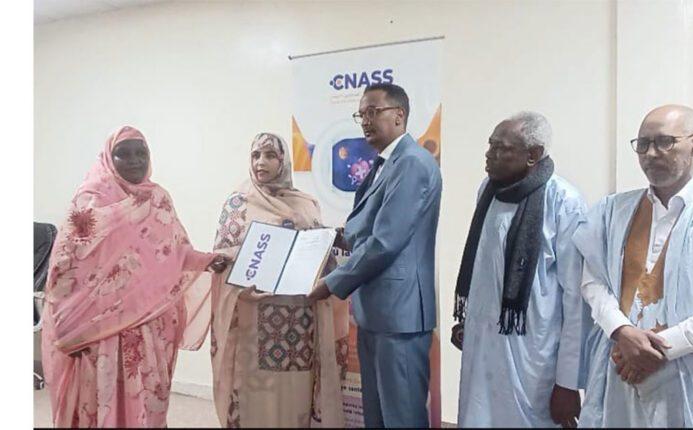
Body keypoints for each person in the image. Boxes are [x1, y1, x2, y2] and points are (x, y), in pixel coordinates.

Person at [41, 126, 230, 428]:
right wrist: (68, 325)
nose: (134, 160)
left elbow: (174, 252)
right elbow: (65, 266)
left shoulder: (158, 199)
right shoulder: (90, 200)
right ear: (108, 158)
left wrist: (208, 261)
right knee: (103, 399)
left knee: (148, 400)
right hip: (100, 328)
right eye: (123, 154)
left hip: (149, 323)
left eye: (141, 153)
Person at [307, 83, 442, 427]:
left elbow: (386, 241)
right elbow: (367, 226)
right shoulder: (386, 162)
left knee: (401, 416)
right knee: (378, 416)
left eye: (373, 112)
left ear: (399, 115)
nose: (365, 121)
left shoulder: (412, 163)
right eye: (361, 114)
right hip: (378, 312)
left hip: (400, 315)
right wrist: (328, 237)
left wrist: (332, 283)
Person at [573, 105, 693, 427]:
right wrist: (622, 331)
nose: (651, 154)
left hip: (689, 377)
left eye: (665, 142)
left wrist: (660, 349)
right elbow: (592, 281)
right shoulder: (614, 210)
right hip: (619, 370)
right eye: (643, 144)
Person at [452, 112, 590, 428]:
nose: (489, 154)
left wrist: (568, 382)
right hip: (483, 342)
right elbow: (485, 269)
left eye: (501, 148)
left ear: (533, 155)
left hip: (533, 355)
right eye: (490, 145)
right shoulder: (488, 191)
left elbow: (576, 298)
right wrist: (469, 321)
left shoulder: (564, 201)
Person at [210, 133, 349, 428]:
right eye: (256, 155)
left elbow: (322, 257)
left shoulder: (305, 205)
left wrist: (328, 238)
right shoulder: (238, 205)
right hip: (253, 321)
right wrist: (239, 286)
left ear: (283, 160)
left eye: (270, 155)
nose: (261, 162)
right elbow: (220, 259)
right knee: (256, 397)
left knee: (293, 395)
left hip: (299, 322)